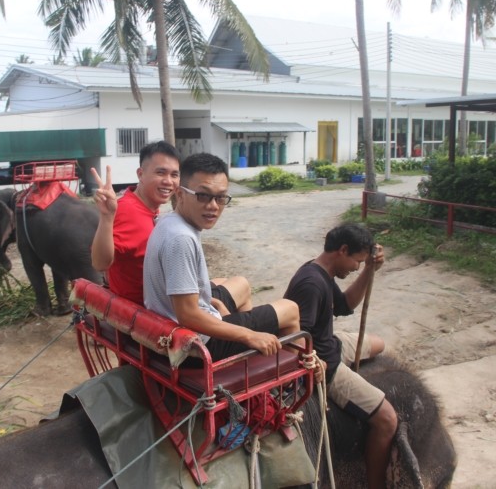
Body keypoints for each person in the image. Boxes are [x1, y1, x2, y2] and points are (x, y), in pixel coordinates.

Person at [143, 153, 300, 360]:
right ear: (180, 194)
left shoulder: (170, 221)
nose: (213, 206)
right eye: (203, 196)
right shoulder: (180, 239)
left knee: (241, 284)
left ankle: (254, 360)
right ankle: (292, 382)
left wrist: (210, 304)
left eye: (221, 197)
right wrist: (249, 335)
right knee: (290, 309)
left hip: (177, 327)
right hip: (196, 346)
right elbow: (188, 315)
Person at [283, 223, 397, 489]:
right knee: (387, 420)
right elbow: (297, 337)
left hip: (330, 341)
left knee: (379, 344)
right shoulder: (311, 283)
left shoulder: (323, 272)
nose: (356, 267)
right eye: (357, 261)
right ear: (342, 250)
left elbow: (345, 305)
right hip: (326, 361)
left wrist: (370, 270)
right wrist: (318, 366)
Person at [90, 141, 252, 310]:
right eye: (161, 173)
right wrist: (107, 217)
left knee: (223, 281)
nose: (168, 181)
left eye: (174, 175)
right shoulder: (125, 210)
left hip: (163, 296)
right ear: (140, 174)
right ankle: (239, 332)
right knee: (242, 285)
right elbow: (100, 264)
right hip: (155, 309)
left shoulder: (149, 209)